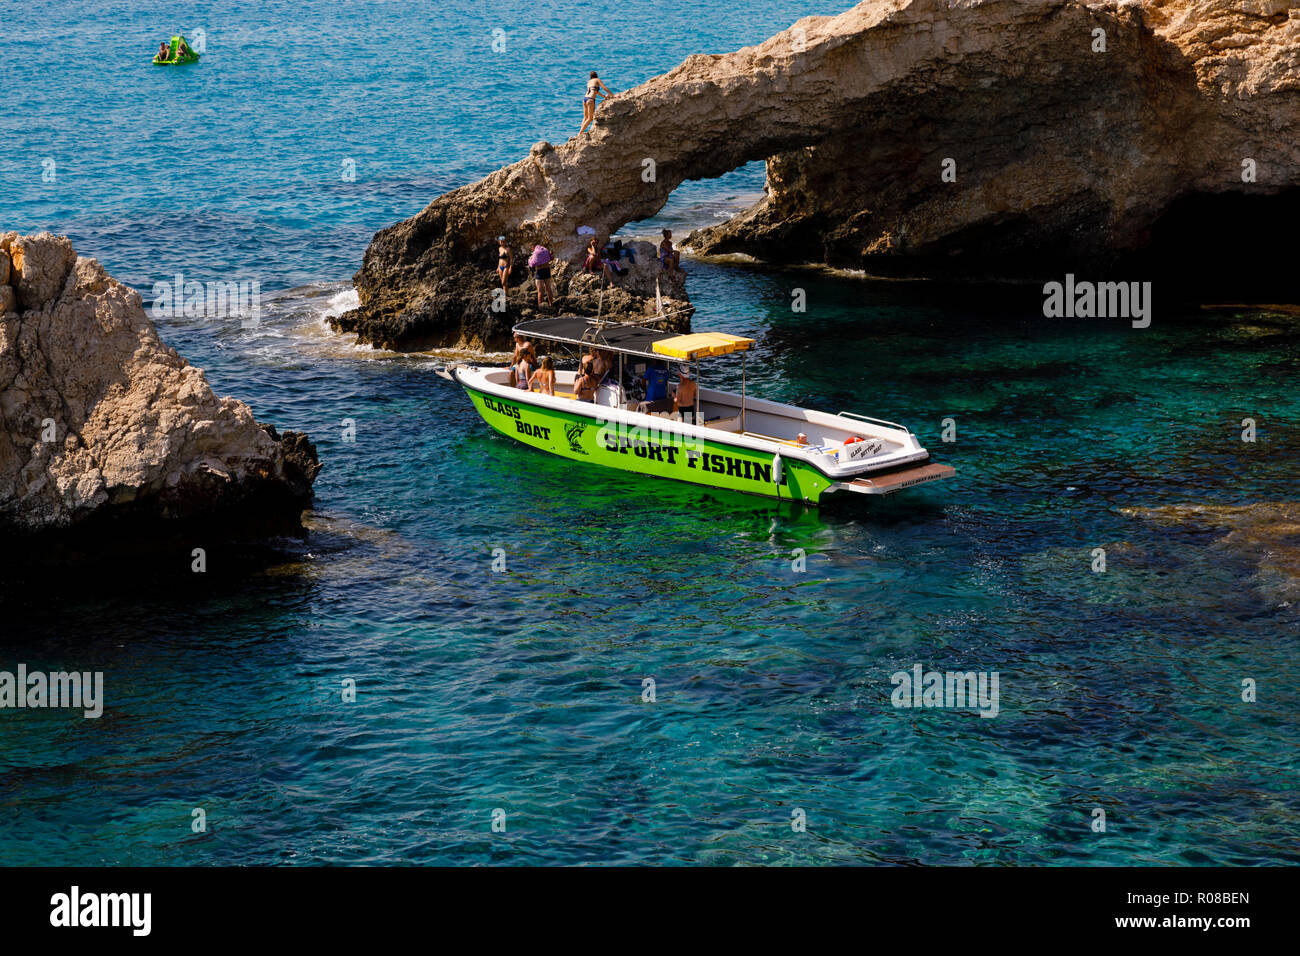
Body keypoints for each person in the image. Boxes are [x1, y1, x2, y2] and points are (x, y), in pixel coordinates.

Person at [579, 71, 614, 135]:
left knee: (585, 117)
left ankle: (581, 132)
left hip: (585, 99)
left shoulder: (589, 82)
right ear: (596, 75)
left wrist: (604, 96)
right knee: (590, 118)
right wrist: (613, 95)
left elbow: (596, 91)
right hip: (590, 99)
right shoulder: (597, 80)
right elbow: (604, 88)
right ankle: (580, 133)